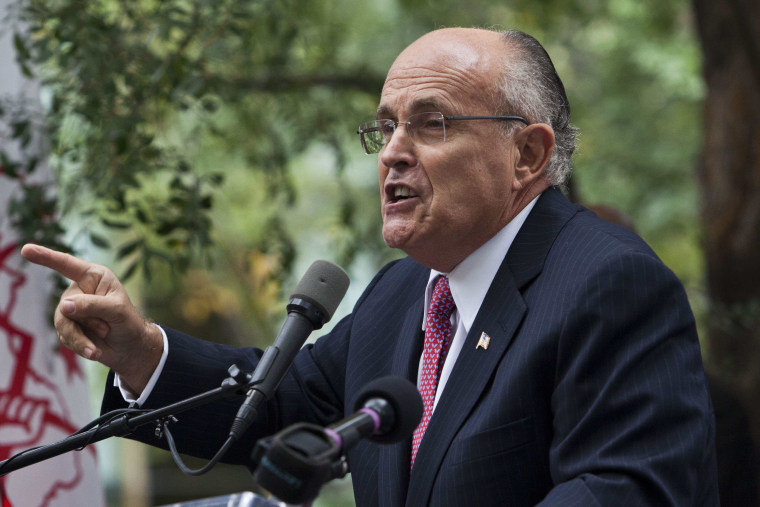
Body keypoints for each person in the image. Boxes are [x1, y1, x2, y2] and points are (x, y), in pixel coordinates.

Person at [21, 27, 718, 506]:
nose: (393, 152)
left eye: (431, 122)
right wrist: (143, 351)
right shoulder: (401, 294)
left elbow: (626, 491)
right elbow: (281, 404)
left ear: (528, 156)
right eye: (385, 128)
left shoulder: (608, 285)